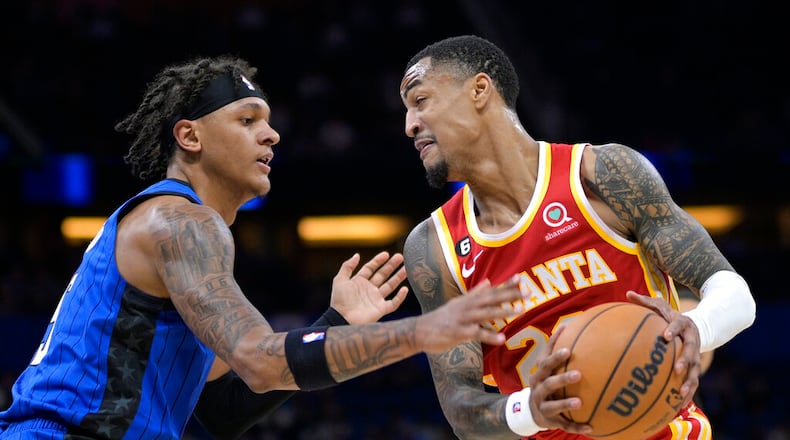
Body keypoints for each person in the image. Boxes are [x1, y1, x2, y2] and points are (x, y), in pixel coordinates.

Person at [0, 55, 530, 440]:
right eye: (248, 119)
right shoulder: (178, 221)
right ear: (190, 137)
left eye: (269, 121)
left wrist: (337, 322)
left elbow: (220, 412)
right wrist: (423, 331)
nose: (272, 135)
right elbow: (260, 360)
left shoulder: (187, 243)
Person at [398, 35, 756, 439]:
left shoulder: (603, 175)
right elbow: (462, 411)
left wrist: (698, 328)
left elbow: (734, 295)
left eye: (420, 101)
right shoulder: (434, 248)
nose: (410, 125)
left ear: (480, 89)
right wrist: (531, 409)